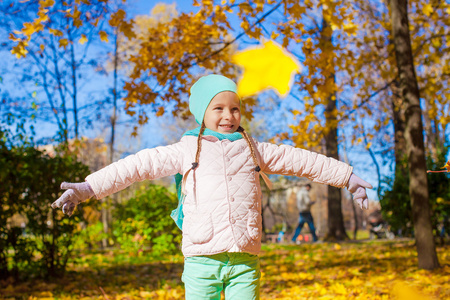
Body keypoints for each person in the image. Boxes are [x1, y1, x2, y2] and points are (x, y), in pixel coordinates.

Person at [51, 74, 373, 300]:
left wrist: (347, 177)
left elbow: (301, 160)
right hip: (202, 257)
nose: (228, 115)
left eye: (234, 108)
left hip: (245, 257)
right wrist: (88, 188)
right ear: (202, 113)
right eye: (218, 108)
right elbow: (135, 166)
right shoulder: (185, 149)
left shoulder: (253, 148)